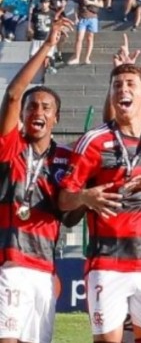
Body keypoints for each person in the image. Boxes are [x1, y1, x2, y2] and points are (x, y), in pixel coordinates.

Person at [58, 63, 141, 343]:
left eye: (130, 84)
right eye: (117, 85)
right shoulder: (93, 141)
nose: (122, 89)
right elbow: (64, 200)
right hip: (107, 264)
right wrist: (85, 197)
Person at [0, 17, 75, 343]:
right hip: (10, 263)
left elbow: (71, 216)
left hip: (45, 268)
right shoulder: (12, 148)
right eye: (32, 107)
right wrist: (47, 46)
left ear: (55, 118)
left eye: (45, 107)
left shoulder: (67, 160)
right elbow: (14, 93)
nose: (36, 112)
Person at [68, 0, 103, 65]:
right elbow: (75, 6)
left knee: (90, 38)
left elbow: (101, 4)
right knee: (79, 38)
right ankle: (77, 57)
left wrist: (91, 2)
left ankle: (87, 58)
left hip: (93, 17)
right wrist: (76, 17)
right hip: (82, 17)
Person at [28, 0, 58, 74]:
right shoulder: (36, 13)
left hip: (47, 38)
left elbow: (56, 24)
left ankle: (51, 67)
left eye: (46, 3)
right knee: (32, 54)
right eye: (43, 3)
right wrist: (31, 30)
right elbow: (32, 24)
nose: (44, 4)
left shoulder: (52, 13)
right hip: (37, 37)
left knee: (48, 55)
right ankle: (31, 70)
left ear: (48, 4)